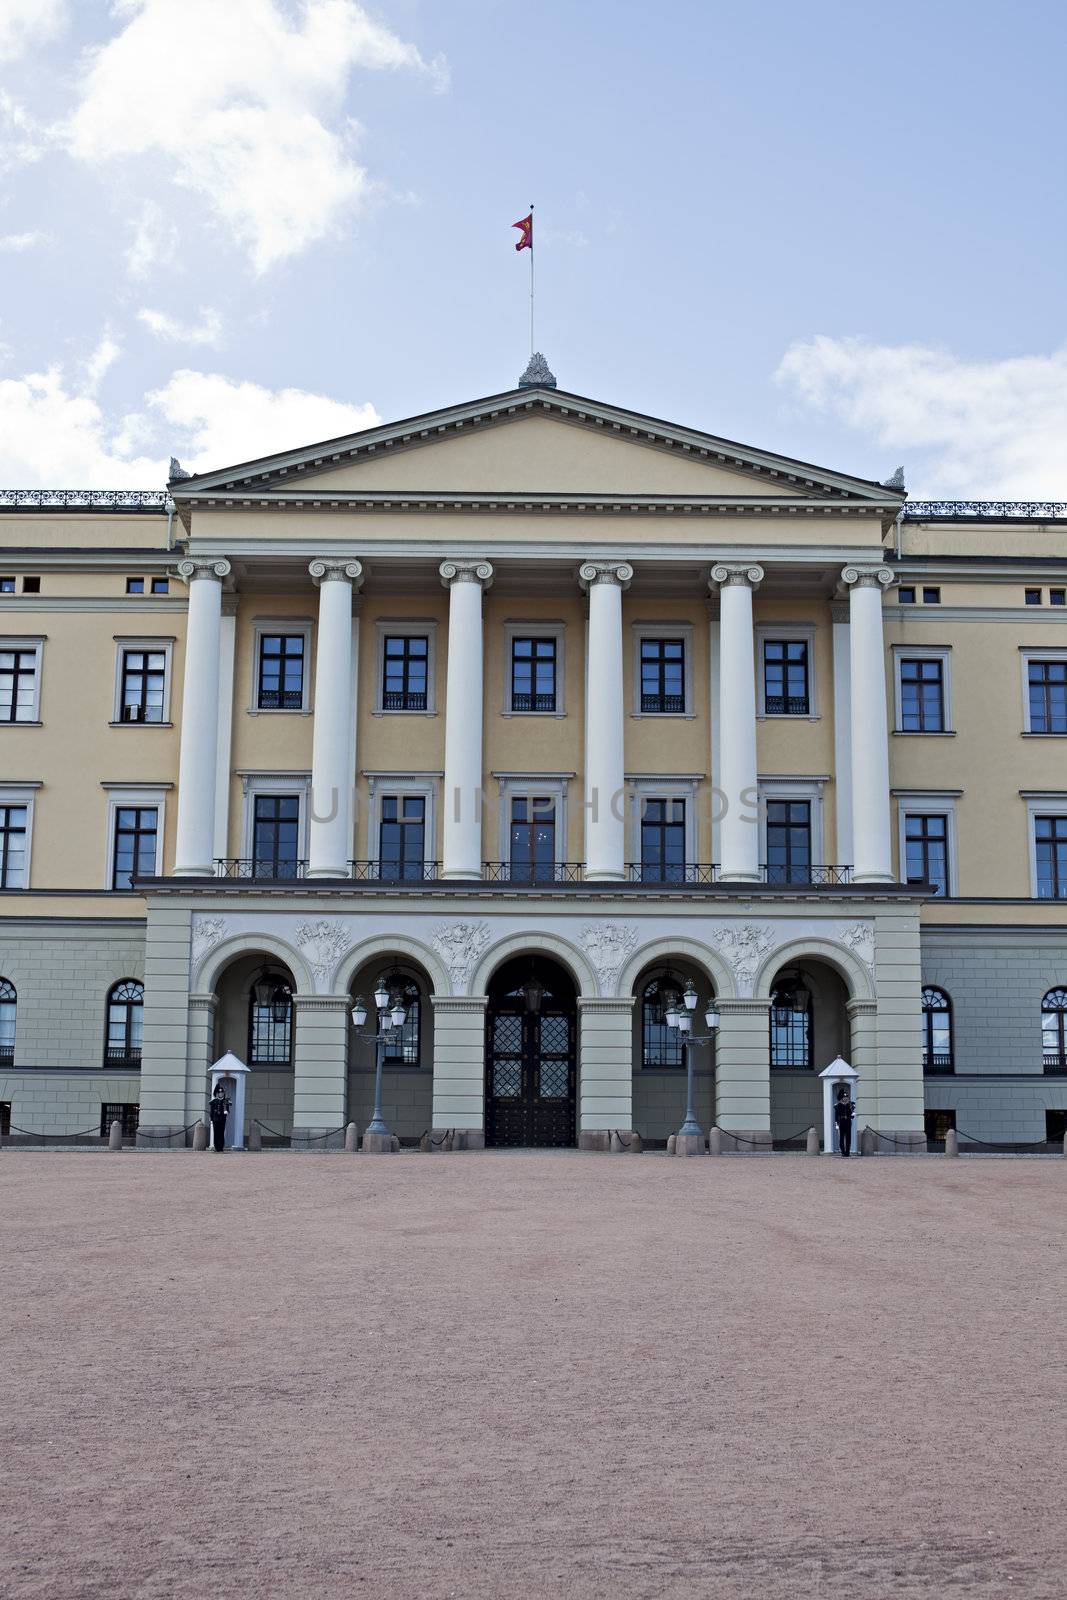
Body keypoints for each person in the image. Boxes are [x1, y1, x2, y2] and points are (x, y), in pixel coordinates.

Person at [834, 1084, 855, 1158]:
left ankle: (847, 1152)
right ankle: (843, 1151)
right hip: (841, 1122)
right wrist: (836, 1123)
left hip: (848, 1122)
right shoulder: (838, 1105)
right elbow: (836, 1115)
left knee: (848, 1137)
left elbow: (852, 1114)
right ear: (842, 1098)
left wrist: (852, 1115)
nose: (845, 1098)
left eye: (846, 1097)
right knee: (842, 1138)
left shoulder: (849, 1105)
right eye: (844, 1097)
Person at [209, 1081, 231, 1153]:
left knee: (221, 1133)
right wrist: (211, 1119)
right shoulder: (214, 1101)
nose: (221, 1094)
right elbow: (211, 1111)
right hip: (215, 1120)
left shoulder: (225, 1101)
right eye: (219, 1093)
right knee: (216, 1133)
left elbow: (227, 1108)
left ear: (223, 1094)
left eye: (222, 1093)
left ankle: (221, 1147)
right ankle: (216, 1147)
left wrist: (227, 1111)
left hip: (222, 1120)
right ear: (217, 1093)